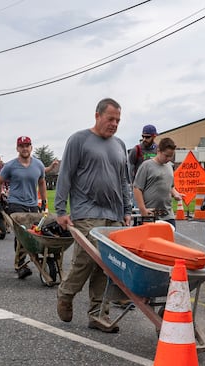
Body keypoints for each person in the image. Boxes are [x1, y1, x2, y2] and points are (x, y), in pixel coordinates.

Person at [54, 98, 132, 332]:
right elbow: (65, 175)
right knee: (87, 259)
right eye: (110, 119)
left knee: (107, 265)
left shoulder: (119, 144)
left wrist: (127, 211)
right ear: (97, 115)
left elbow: (124, 181)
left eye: (118, 120)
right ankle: (66, 293)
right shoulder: (79, 140)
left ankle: (98, 314)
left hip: (114, 214)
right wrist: (60, 210)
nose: (114, 124)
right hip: (87, 211)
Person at [0, 135, 47, 278]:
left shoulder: (38, 165)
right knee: (22, 235)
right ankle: (21, 265)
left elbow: (42, 182)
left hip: (33, 204)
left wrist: (45, 201)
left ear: (31, 147)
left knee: (35, 234)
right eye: (22, 146)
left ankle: (32, 260)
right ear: (17, 148)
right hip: (16, 204)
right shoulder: (10, 166)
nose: (25, 148)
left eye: (27, 145)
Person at [132, 137, 183, 227]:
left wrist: (175, 194)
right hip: (150, 214)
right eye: (166, 155)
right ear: (159, 151)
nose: (168, 159)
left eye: (171, 156)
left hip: (168, 215)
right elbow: (137, 188)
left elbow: (170, 186)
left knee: (169, 240)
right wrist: (143, 210)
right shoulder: (146, 166)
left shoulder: (170, 167)